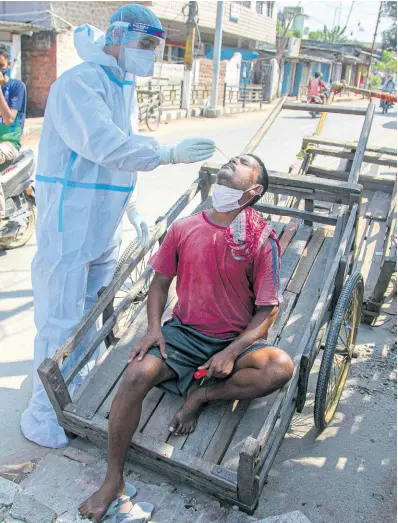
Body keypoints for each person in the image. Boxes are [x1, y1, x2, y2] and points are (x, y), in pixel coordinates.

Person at [20, 4, 215, 449]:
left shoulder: (120, 84)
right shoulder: (79, 83)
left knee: (90, 319)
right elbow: (104, 145)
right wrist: (166, 154)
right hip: (71, 223)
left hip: (102, 225)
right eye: (144, 43)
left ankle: (76, 396)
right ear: (118, 35)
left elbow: (117, 162)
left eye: (155, 46)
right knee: (59, 321)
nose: (149, 53)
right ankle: (44, 418)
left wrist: (130, 210)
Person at [79, 154, 294, 521]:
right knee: (133, 376)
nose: (234, 159)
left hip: (236, 339)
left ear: (253, 190)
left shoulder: (261, 239)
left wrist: (232, 350)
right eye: (233, 158)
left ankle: (202, 395)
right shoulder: (184, 227)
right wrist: (153, 328)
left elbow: (267, 310)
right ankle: (113, 480)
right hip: (184, 333)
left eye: (245, 162)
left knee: (279, 367)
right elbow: (160, 283)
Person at [0, 44, 27, 223]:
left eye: (0, 66)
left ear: (8, 64)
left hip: (9, 144)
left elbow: (9, 118)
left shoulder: (17, 87)